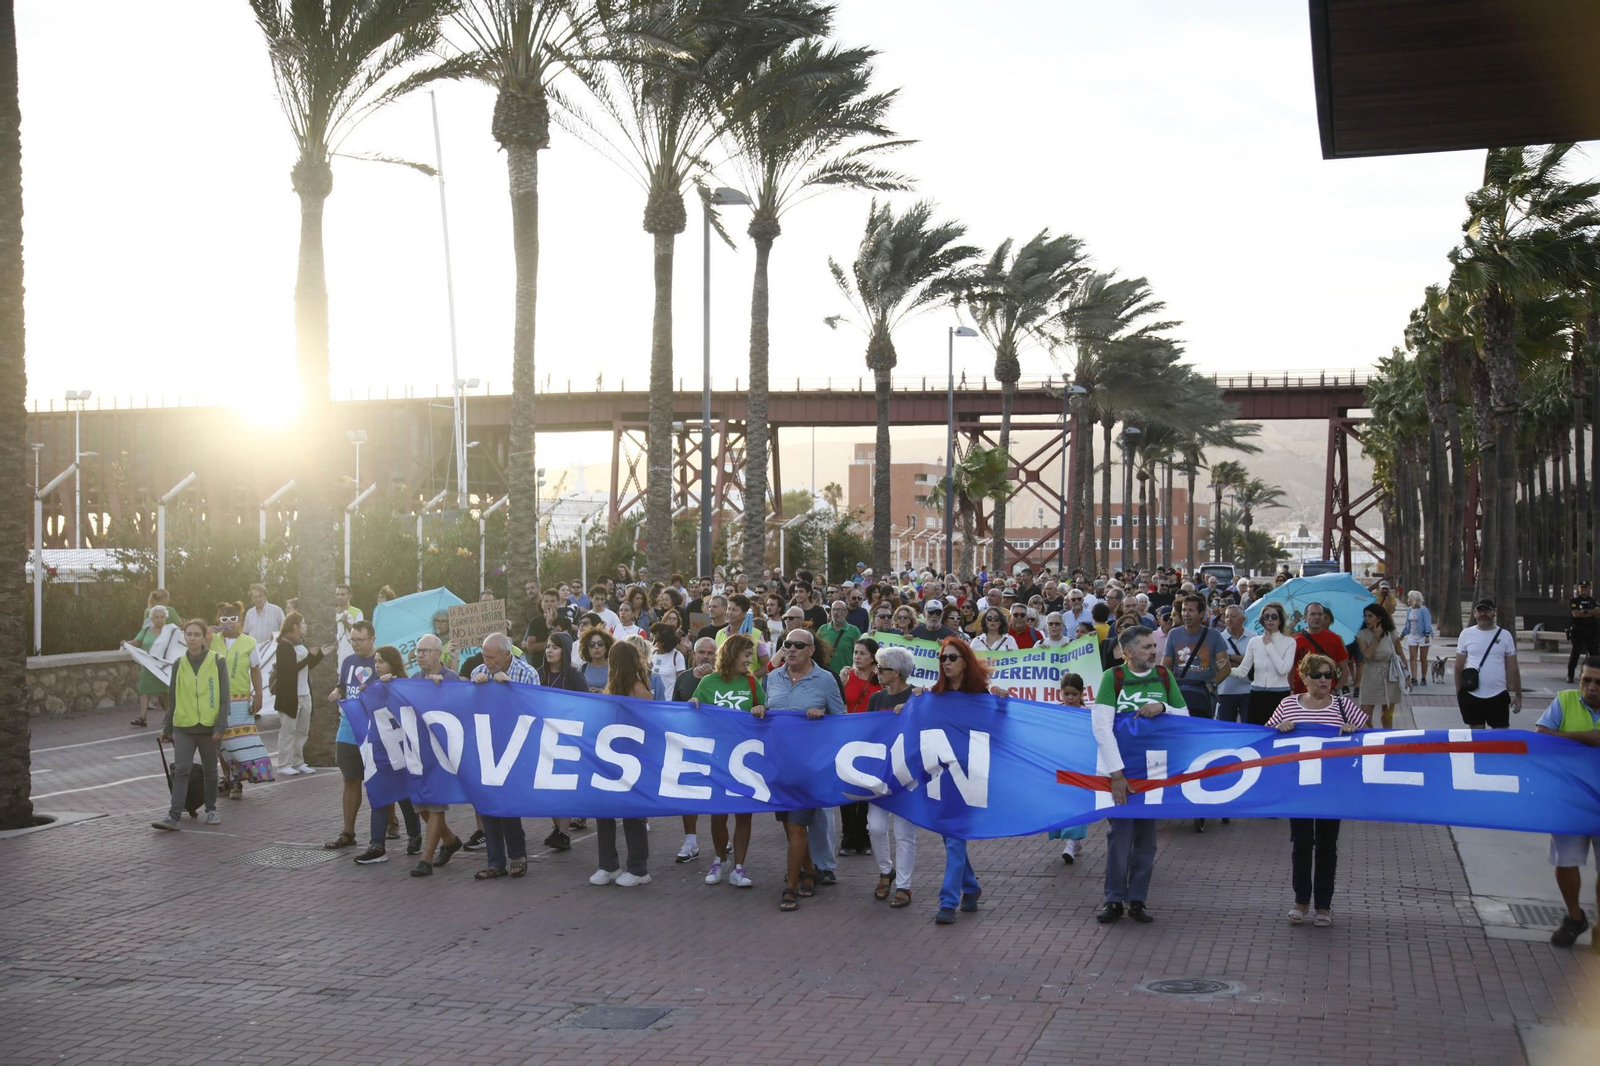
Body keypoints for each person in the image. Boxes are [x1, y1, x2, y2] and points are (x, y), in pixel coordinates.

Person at [1092, 625, 1189, 924]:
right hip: (1123, 770)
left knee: (1147, 837)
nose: (1154, 651)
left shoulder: (1163, 676)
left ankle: (1137, 900)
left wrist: (1162, 706)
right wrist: (1116, 774)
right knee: (1120, 835)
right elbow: (1101, 727)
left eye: (1153, 646)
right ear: (1128, 652)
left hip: (1155, 770)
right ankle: (1114, 899)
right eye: (1146, 647)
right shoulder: (1113, 677)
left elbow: (1184, 716)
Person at [1267, 653, 1368, 926]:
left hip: (1332, 787)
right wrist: (1279, 728)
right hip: (1298, 786)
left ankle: (1323, 905)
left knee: (1327, 845)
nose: (1325, 680)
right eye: (1318, 675)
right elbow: (1263, 739)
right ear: (1304, 677)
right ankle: (1301, 900)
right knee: (1301, 843)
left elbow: (1371, 736)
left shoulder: (1343, 705)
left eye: (1329, 674)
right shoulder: (1288, 704)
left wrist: (1354, 730)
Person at [763, 626, 845, 912]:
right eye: (788, 644)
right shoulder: (772, 677)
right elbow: (764, 712)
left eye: (799, 645)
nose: (792, 649)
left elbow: (842, 720)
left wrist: (821, 718)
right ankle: (809, 871)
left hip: (810, 766)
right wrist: (758, 711)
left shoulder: (825, 680)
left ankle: (790, 887)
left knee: (798, 824)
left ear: (811, 650)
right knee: (788, 824)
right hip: (779, 765)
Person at [923, 638, 996, 926]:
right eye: (943, 659)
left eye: (952, 657)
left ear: (966, 660)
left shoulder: (981, 694)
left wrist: (1000, 703)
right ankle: (971, 886)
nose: (947, 663)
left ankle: (948, 901)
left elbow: (994, 728)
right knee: (949, 835)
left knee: (955, 838)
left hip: (970, 774)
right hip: (941, 774)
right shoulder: (935, 694)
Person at [686, 634, 763, 888]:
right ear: (732, 655)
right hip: (716, 758)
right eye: (746, 655)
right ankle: (720, 859)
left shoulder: (752, 683)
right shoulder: (708, 682)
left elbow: (765, 713)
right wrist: (694, 705)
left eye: (751, 655)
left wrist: (761, 711)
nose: (749, 660)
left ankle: (739, 867)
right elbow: (696, 717)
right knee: (718, 815)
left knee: (743, 815)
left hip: (744, 759)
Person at [1534, 656, 1600, 947]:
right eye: (1587, 680)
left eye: (1599, 682)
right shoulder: (1564, 701)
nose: (1592, 687)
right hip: (1570, 800)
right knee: (1566, 862)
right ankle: (1575, 918)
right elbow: (1542, 736)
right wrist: (1586, 738)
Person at [469, 633, 537, 879]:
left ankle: (517, 855)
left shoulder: (527, 673)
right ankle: (495, 861)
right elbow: (468, 707)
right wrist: (475, 688)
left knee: (507, 803)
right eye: (484, 656)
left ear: (507, 655)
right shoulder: (479, 670)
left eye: (492, 657)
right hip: (487, 744)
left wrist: (510, 687)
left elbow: (535, 707)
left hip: (514, 744)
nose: (487, 661)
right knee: (487, 803)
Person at [350, 645, 425, 865]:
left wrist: (392, 685)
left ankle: (415, 835)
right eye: (375, 661)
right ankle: (377, 845)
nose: (377, 665)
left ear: (393, 663)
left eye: (381, 661)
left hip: (401, 751)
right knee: (379, 794)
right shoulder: (374, 687)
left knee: (405, 795)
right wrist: (366, 692)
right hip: (381, 751)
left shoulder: (403, 685)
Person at [152, 620, 227, 831]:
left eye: (196, 634)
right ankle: (173, 815)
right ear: (184, 637)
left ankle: (211, 809)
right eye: (189, 634)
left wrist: (220, 726)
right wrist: (167, 728)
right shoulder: (178, 664)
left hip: (209, 728)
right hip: (183, 726)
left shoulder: (217, 661)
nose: (192, 638)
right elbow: (173, 697)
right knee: (182, 770)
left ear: (204, 637)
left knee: (211, 772)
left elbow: (224, 698)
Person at [591, 642, 652, 887]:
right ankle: (608, 866)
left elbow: (650, 724)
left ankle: (639, 869)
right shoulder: (612, 688)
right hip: (611, 758)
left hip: (633, 760)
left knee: (632, 813)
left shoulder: (638, 689)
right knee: (603, 811)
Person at [864, 645, 919, 908]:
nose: (876, 672)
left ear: (895, 672)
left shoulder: (917, 697)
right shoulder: (876, 699)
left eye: (881, 668)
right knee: (875, 827)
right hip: (881, 773)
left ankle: (904, 886)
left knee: (904, 832)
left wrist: (910, 708)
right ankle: (886, 870)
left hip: (906, 775)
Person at [406, 634, 465, 876]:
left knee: (437, 804)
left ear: (438, 653)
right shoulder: (412, 680)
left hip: (443, 753)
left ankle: (426, 859)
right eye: (418, 650)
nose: (420, 655)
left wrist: (444, 691)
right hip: (421, 751)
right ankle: (449, 840)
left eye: (425, 651)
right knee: (420, 805)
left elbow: (462, 708)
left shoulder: (451, 679)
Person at [323, 619, 377, 851]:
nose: (355, 644)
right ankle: (348, 832)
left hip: (374, 731)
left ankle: (391, 821)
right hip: (348, 729)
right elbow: (343, 686)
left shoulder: (381, 660)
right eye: (352, 640)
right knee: (351, 779)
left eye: (360, 640)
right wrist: (337, 691)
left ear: (372, 639)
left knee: (378, 780)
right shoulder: (349, 662)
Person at [209, 601, 272, 800]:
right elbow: (187, 636)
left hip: (239, 699)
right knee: (220, 741)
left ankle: (239, 780)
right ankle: (228, 778)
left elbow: (255, 669)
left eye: (233, 619)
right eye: (224, 619)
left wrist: (259, 697)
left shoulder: (249, 642)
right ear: (219, 619)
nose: (229, 623)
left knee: (241, 741)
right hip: (215, 699)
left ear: (240, 621)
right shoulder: (211, 639)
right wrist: (207, 631)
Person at [271, 612, 329, 776]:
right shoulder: (284, 645)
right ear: (295, 626)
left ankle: (298, 762)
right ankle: (283, 764)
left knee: (302, 731)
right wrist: (310, 656)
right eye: (303, 624)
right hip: (290, 696)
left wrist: (319, 656)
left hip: (304, 693)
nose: (306, 626)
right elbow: (289, 670)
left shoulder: (300, 644)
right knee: (288, 731)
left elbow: (306, 666)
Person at [1454, 598, 1520, 729]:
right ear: (1474, 613)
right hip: (1472, 695)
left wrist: (1518, 695)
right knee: (1478, 740)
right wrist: (1459, 692)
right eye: (1480, 611)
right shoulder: (1466, 634)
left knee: (1500, 740)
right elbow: (1458, 666)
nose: (1483, 614)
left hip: (1498, 695)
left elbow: (1513, 668)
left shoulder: (1505, 636)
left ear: (1495, 612)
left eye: (1487, 611)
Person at [1051, 671, 1090, 864]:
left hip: (1080, 766)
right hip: (1060, 766)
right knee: (1061, 803)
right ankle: (1073, 841)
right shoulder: (1053, 712)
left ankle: (1071, 843)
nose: (1070, 698)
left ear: (1082, 693)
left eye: (1074, 694)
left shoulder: (1088, 714)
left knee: (1078, 803)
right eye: (1066, 694)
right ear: (1061, 693)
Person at [1239, 602, 1295, 725]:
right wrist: (1223, 668)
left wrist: (1269, 645)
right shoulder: (1254, 641)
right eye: (1266, 616)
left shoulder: (1290, 642)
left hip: (1280, 694)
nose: (1270, 619)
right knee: (1255, 732)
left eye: (1274, 616)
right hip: (1257, 694)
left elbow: (1283, 669)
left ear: (1280, 620)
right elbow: (1242, 670)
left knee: (1280, 733)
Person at [128, 604, 182, 728]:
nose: (159, 619)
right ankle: (142, 718)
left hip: (163, 667)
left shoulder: (171, 631)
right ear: (151, 618)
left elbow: (179, 644)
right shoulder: (146, 630)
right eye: (157, 617)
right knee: (144, 691)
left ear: (165, 618)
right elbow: (137, 642)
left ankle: (168, 716)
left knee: (165, 692)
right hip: (148, 666)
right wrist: (127, 643)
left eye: (162, 617)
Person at [1356, 602, 1409, 729]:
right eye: (1365, 616)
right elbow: (1367, 655)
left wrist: (1407, 676)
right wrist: (1376, 637)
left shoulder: (1391, 633)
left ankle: (1387, 742)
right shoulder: (1362, 635)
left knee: (1387, 716)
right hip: (1371, 675)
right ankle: (1371, 742)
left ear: (1379, 618)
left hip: (1390, 676)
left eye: (1370, 616)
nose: (1367, 619)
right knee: (1365, 718)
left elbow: (1400, 654)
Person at [1291, 602, 1352, 694]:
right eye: (1313, 614)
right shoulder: (1295, 640)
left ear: (1323, 617)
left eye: (1320, 614)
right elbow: (1290, 670)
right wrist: (1291, 689)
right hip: (1301, 693)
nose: (1316, 617)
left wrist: (1335, 689)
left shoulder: (1334, 639)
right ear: (1305, 617)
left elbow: (1345, 670)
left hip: (1327, 694)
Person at [1215, 606, 1253, 724]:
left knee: (1249, 726)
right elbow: (1218, 663)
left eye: (1233, 616)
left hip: (1249, 690)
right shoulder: (1218, 638)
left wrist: (1230, 657)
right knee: (1226, 728)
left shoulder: (1253, 637)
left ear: (1243, 619)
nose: (1229, 619)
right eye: (1226, 616)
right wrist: (1245, 659)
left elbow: (1256, 661)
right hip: (1225, 691)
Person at [818, 600, 861, 675]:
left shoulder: (854, 631)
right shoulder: (823, 629)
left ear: (846, 612)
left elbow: (858, 654)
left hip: (846, 676)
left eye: (839, 610)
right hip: (825, 675)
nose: (835, 613)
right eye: (833, 609)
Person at [1568, 581, 1599, 684]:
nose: (1584, 590)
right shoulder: (1574, 601)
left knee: (1595, 653)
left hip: (1591, 631)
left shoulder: (1592, 600)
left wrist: (1584, 612)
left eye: (1586, 588)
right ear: (1578, 589)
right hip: (1578, 630)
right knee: (1575, 653)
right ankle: (1570, 675)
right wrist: (1589, 612)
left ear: (1589, 589)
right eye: (1582, 588)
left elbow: (1598, 611)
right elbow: (1576, 614)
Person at [1402, 590, 1434, 686]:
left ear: (1414, 599)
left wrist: (1427, 635)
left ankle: (1423, 677)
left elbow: (1427, 623)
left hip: (1423, 636)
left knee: (1423, 658)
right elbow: (1407, 624)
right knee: (1412, 657)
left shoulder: (1423, 610)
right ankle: (1414, 678)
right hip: (1412, 635)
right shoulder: (1409, 610)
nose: (1408, 600)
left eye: (1409, 598)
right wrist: (1402, 634)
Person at [242, 583, 285, 651]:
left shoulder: (276, 610)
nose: (258, 599)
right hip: (254, 652)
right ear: (252, 599)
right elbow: (245, 633)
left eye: (260, 596)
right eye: (255, 597)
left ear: (265, 596)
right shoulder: (249, 613)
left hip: (272, 652)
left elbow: (285, 631)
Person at [333, 583, 363, 665]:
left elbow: (359, 634)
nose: (339, 597)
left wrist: (345, 622)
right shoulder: (331, 613)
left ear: (350, 596)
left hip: (350, 654)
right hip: (334, 656)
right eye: (337, 594)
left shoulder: (357, 612)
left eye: (342, 595)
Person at [578, 627, 613, 692]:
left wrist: (603, 693)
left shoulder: (614, 668)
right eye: (592, 645)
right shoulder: (582, 669)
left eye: (600, 644)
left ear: (606, 646)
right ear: (587, 649)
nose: (596, 647)